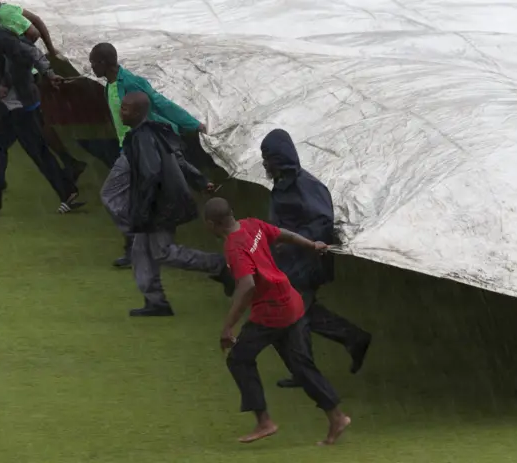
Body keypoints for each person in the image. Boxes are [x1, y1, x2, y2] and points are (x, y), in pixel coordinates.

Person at [204, 197, 351, 445]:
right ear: (232, 213)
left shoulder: (233, 246)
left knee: (239, 358)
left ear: (211, 224)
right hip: (291, 301)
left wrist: (228, 326)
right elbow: (282, 234)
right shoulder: (250, 225)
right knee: (300, 365)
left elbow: (247, 285)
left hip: (272, 312)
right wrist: (311, 244)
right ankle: (337, 417)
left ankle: (264, 422)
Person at [260, 129, 372, 389]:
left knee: (295, 315)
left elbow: (322, 221)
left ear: (279, 157)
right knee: (303, 313)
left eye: (267, 156)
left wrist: (293, 242)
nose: (264, 162)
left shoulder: (305, 186)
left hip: (305, 263)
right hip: (291, 262)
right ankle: (352, 339)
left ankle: (307, 370)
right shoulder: (283, 182)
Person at [89, 42, 209, 269]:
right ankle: (139, 246)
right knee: (138, 197)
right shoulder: (109, 85)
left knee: (110, 194)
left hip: (144, 146)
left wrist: (193, 124)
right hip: (130, 147)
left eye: (93, 63)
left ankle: (140, 241)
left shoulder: (132, 83)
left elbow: (161, 103)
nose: (91, 67)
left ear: (104, 63)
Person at [120, 91, 233, 316]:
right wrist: (200, 180)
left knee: (163, 253)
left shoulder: (143, 137)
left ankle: (220, 265)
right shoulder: (154, 131)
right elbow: (178, 160)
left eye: (125, 108)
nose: (120, 112)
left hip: (159, 205)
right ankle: (156, 302)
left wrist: (142, 209)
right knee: (141, 250)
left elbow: (151, 174)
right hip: (162, 202)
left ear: (139, 112)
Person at [0, 4, 84, 216]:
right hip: (15, 104)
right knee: (8, 147)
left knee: (26, 150)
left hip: (20, 104)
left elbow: (27, 55)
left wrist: (7, 82)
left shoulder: (2, 39)